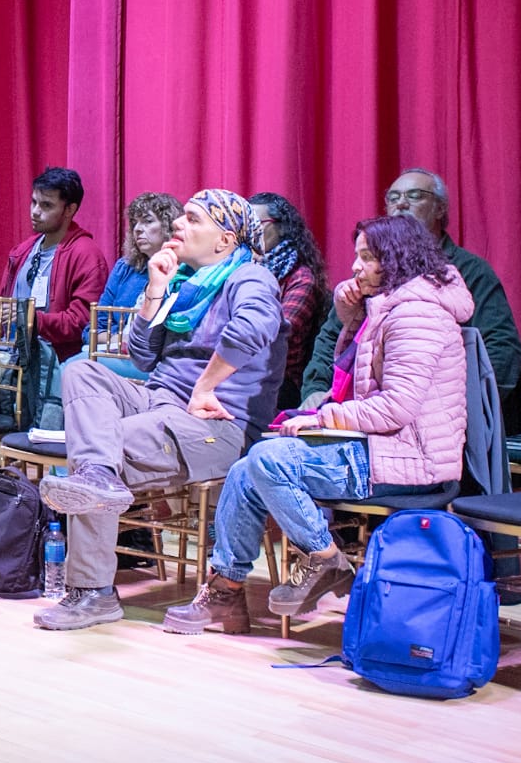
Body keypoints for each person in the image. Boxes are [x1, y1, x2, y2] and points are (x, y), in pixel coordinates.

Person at [163, 215, 473, 634]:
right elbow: (355, 380)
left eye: (367, 258)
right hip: (375, 447)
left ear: (396, 259)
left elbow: (396, 407)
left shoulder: (417, 315)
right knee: (244, 470)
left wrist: (321, 418)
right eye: (357, 257)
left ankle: (326, 558)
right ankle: (226, 590)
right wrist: (351, 316)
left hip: (410, 458)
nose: (355, 268)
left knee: (271, 459)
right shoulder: (387, 309)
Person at [31, 189, 287, 631]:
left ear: (225, 240)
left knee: (98, 451)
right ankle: (97, 483)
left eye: (192, 219)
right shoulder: (185, 283)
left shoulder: (250, 278)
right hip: (159, 398)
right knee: (81, 372)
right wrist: (154, 290)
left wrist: (206, 385)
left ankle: (92, 592)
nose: (178, 226)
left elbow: (254, 328)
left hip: (217, 423)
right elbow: (144, 356)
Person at [300, 168, 521, 424]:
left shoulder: (468, 272)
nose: (401, 204)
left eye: (415, 195)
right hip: (365, 416)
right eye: (393, 198)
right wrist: (316, 390)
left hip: (439, 420)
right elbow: (331, 339)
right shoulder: (373, 273)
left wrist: (458, 409)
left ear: (441, 209)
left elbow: (501, 350)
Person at [0, 167, 108, 362]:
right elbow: (2, 311)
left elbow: (82, 323)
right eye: (34, 202)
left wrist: (31, 318)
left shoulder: (87, 255)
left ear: (70, 210)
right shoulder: (22, 251)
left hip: (51, 364)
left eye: (46, 205)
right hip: (7, 356)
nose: (35, 212)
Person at [73, 191, 182, 378]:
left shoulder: (184, 271)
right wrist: (120, 339)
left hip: (158, 364)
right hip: (115, 354)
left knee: (74, 367)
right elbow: (90, 331)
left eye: (147, 221)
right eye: (135, 223)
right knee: (77, 365)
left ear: (169, 226)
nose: (138, 229)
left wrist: (128, 341)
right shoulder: (124, 267)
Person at [249, 192, 327, 410]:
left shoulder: (301, 277)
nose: (249, 231)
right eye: (245, 224)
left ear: (282, 227)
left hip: (278, 378)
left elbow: (276, 334)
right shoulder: (241, 267)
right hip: (240, 368)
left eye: (257, 223)